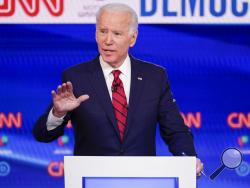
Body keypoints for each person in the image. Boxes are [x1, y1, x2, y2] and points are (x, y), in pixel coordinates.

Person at [33, 3, 203, 176]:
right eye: (103, 31)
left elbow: (175, 129)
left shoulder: (154, 77)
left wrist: (188, 160)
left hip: (142, 180)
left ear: (133, 38)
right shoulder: (76, 77)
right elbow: (42, 135)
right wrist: (58, 114)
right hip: (92, 180)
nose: (108, 40)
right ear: (95, 34)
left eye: (117, 33)